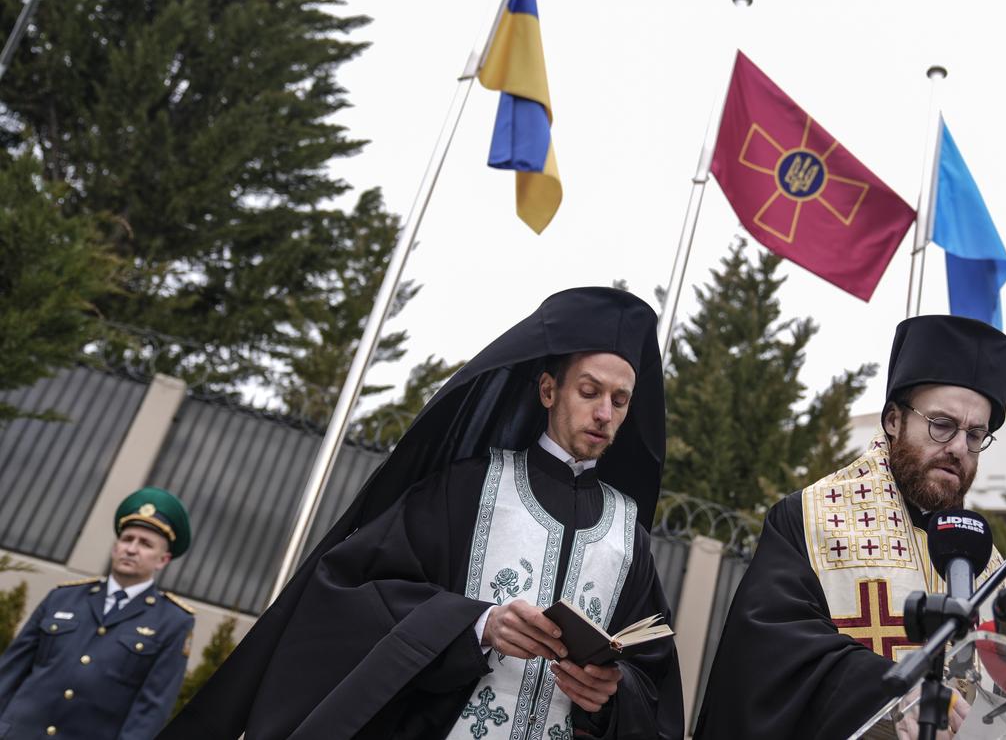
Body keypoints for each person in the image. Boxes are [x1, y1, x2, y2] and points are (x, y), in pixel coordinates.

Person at [162, 287, 682, 740]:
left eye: (619, 400)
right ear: (549, 390)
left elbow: (651, 678)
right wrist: (478, 624)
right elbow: (355, 593)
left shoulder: (626, 532)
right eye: (589, 391)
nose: (603, 413)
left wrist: (614, 694)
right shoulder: (470, 487)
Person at [694, 314, 1006, 740]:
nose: (959, 448)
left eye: (975, 435)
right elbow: (769, 657)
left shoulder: (988, 565)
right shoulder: (811, 519)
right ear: (893, 421)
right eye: (942, 425)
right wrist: (893, 691)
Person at [0, 487, 196, 739]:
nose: (132, 549)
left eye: (145, 544)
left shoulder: (173, 622)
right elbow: (11, 671)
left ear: (162, 560)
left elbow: (150, 710)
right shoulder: (62, 597)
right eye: (127, 539)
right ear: (115, 547)